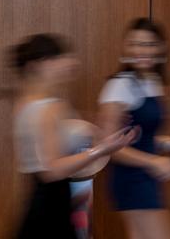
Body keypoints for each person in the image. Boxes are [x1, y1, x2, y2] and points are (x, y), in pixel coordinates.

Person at [10, 33, 139, 239]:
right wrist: (101, 150)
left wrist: (94, 124)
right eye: (59, 57)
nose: (70, 62)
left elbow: (57, 135)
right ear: (41, 64)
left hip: (48, 200)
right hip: (52, 205)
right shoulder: (48, 108)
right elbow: (51, 170)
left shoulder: (27, 103)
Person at [98, 18, 170, 239]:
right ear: (126, 47)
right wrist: (154, 161)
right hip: (132, 178)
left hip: (146, 178)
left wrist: (169, 142)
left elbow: (138, 134)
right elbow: (110, 146)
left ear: (161, 48)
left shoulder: (152, 81)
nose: (141, 50)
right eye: (135, 43)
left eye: (149, 44)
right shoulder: (119, 85)